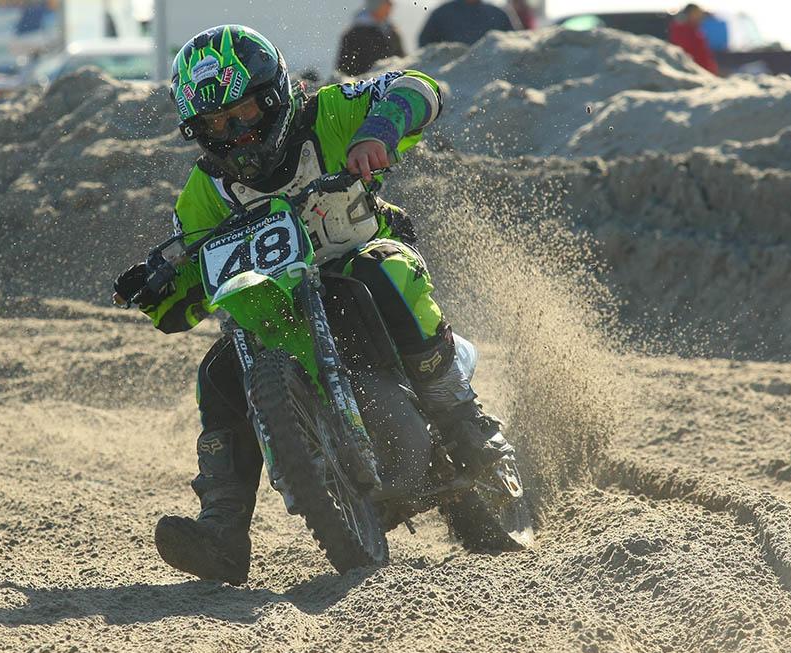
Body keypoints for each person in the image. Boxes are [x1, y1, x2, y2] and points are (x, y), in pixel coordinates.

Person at [112, 24, 518, 584]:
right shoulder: (204, 192)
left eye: (245, 114)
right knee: (219, 370)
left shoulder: (328, 113)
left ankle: (463, 419)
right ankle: (223, 530)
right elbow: (183, 299)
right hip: (280, 319)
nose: (237, 135)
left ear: (276, 96)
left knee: (385, 271)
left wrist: (377, 130)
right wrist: (156, 286)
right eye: (217, 126)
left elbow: (420, 89)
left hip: (353, 266)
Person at [337, 0, 405, 76]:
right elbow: (345, 67)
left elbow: (401, 59)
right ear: (376, 6)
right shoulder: (355, 34)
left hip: (389, 82)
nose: (390, 7)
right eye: (386, 4)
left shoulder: (392, 31)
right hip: (364, 84)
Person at [418, 0, 514, 48]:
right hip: (451, 77)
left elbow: (512, 45)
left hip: (491, 76)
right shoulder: (442, 14)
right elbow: (425, 46)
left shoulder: (497, 14)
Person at [668, 3, 719, 75]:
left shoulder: (696, 30)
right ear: (688, 14)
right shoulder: (680, 29)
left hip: (704, 71)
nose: (700, 17)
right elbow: (684, 52)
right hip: (691, 70)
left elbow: (705, 53)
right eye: (696, 14)